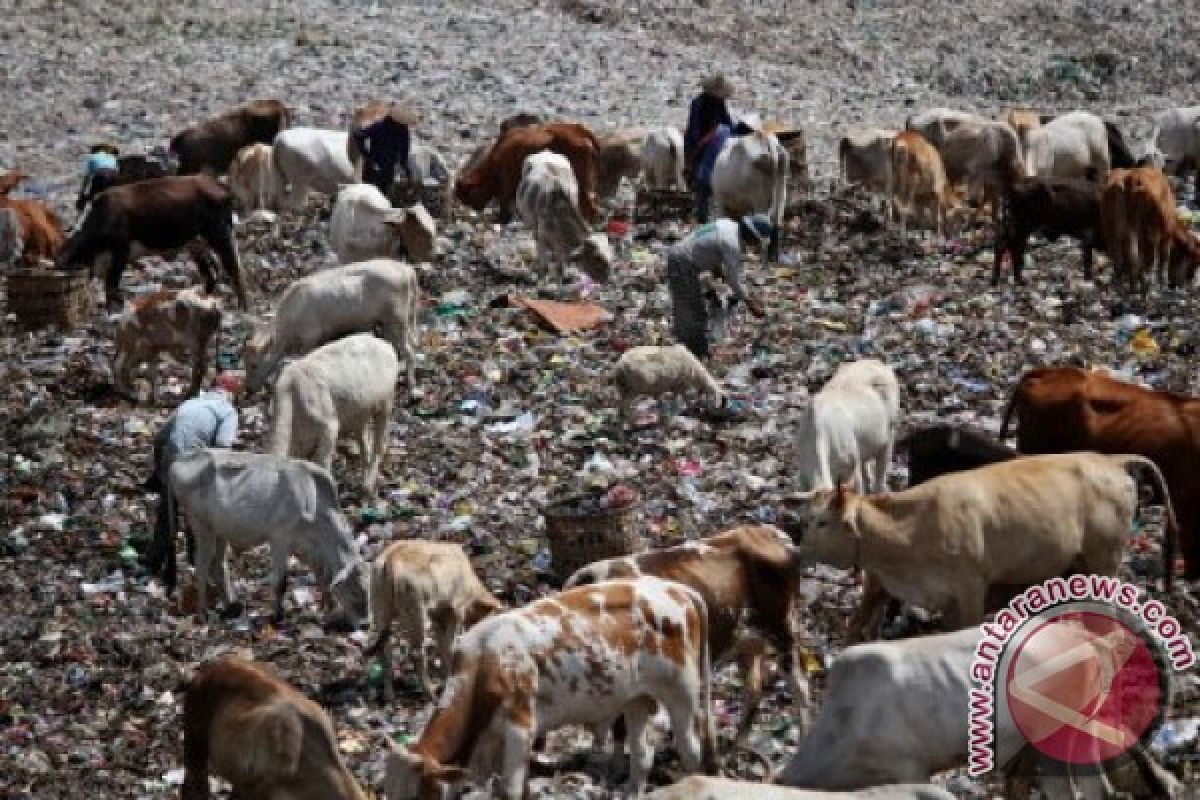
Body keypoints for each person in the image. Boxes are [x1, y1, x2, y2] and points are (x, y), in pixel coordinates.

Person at [142, 373, 240, 590]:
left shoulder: (190, 403)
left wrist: (158, 474)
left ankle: (153, 563)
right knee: (199, 519)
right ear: (230, 394)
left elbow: (159, 439)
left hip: (172, 465)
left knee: (167, 517)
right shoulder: (227, 411)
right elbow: (224, 446)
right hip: (195, 468)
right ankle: (199, 564)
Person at [665, 214, 773, 359]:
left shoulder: (727, 224)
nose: (754, 244)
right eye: (756, 241)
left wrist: (717, 271)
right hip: (683, 263)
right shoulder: (732, 244)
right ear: (752, 234)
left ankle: (692, 349)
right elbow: (735, 280)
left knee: (690, 309)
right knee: (691, 311)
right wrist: (750, 304)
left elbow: (708, 245)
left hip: (680, 255)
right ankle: (690, 353)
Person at [684, 74, 735, 221]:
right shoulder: (700, 103)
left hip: (714, 142)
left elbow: (727, 124)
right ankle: (702, 214)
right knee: (701, 179)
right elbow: (695, 129)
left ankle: (706, 212)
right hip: (702, 143)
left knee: (706, 179)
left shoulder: (716, 103)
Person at [351, 106, 416, 198]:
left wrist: (366, 154)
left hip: (372, 167)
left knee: (367, 195)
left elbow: (358, 136)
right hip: (387, 170)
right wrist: (408, 172)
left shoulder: (379, 126)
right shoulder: (404, 133)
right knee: (381, 197)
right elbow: (404, 157)